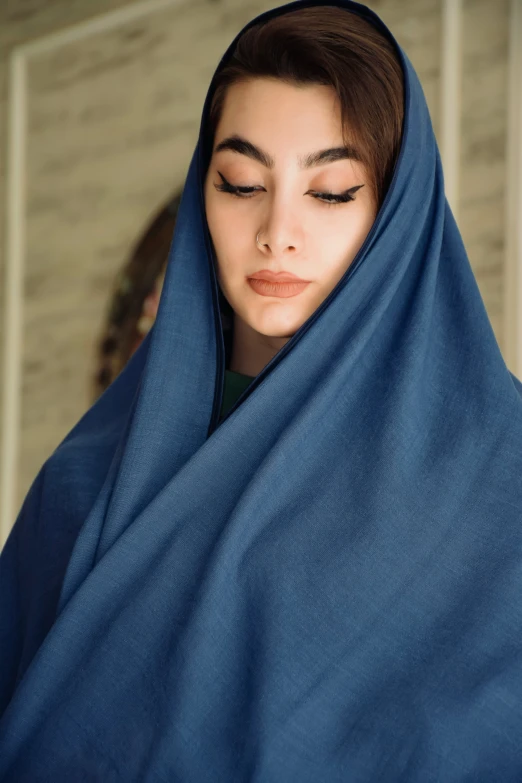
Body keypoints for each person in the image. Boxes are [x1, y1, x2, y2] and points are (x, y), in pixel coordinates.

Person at [1, 0, 522, 779]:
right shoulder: (85, 481)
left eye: (333, 191)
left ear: (397, 215)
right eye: (241, 183)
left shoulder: (498, 474)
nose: (278, 230)